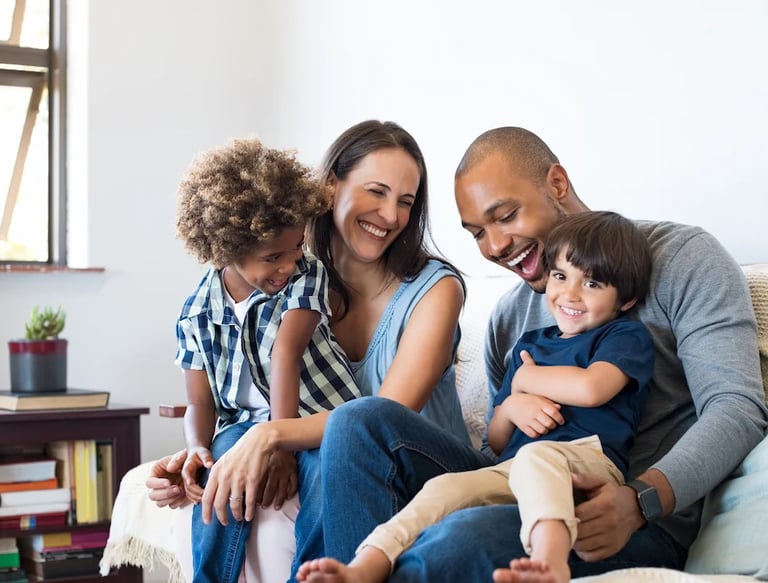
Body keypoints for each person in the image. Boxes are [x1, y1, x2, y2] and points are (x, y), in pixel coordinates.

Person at [304, 126, 768, 582]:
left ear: (557, 184)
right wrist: (510, 410)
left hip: (623, 516)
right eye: (477, 233)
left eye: (505, 216)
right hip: (519, 484)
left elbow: (737, 408)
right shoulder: (510, 318)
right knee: (357, 421)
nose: (495, 247)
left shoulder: (682, 258)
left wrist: (640, 501)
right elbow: (497, 448)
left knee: (458, 540)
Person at [146, 120, 472, 582]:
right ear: (330, 186)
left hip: (417, 467)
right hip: (328, 450)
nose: (391, 215)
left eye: (405, 201)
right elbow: (237, 389)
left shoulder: (434, 290)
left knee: (344, 440)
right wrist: (201, 456)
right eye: (376, 192)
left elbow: (382, 419)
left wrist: (271, 436)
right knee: (231, 463)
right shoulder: (285, 280)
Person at [296, 210, 655, 583]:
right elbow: (497, 441)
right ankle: (365, 566)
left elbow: (592, 388)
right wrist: (511, 405)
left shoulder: (622, 336)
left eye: (592, 283)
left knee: (537, 456)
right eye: (561, 276)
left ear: (626, 300)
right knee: (444, 488)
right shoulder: (530, 345)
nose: (571, 294)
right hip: (512, 470)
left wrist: (526, 379)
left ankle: (550, 562)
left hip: (587, 464)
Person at [174, 138, 361, 583]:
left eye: (295, 247)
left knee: (326, 473)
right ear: (226, 249)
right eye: (273, 257)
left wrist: (279, 445)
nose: (288, 264)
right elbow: (199, 402)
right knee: (221, 470)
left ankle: (313, 576)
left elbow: (285, 353)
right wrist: (197, 447)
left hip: (317, 417)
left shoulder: (306, 274)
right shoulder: (196, 312)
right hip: (242, 425)